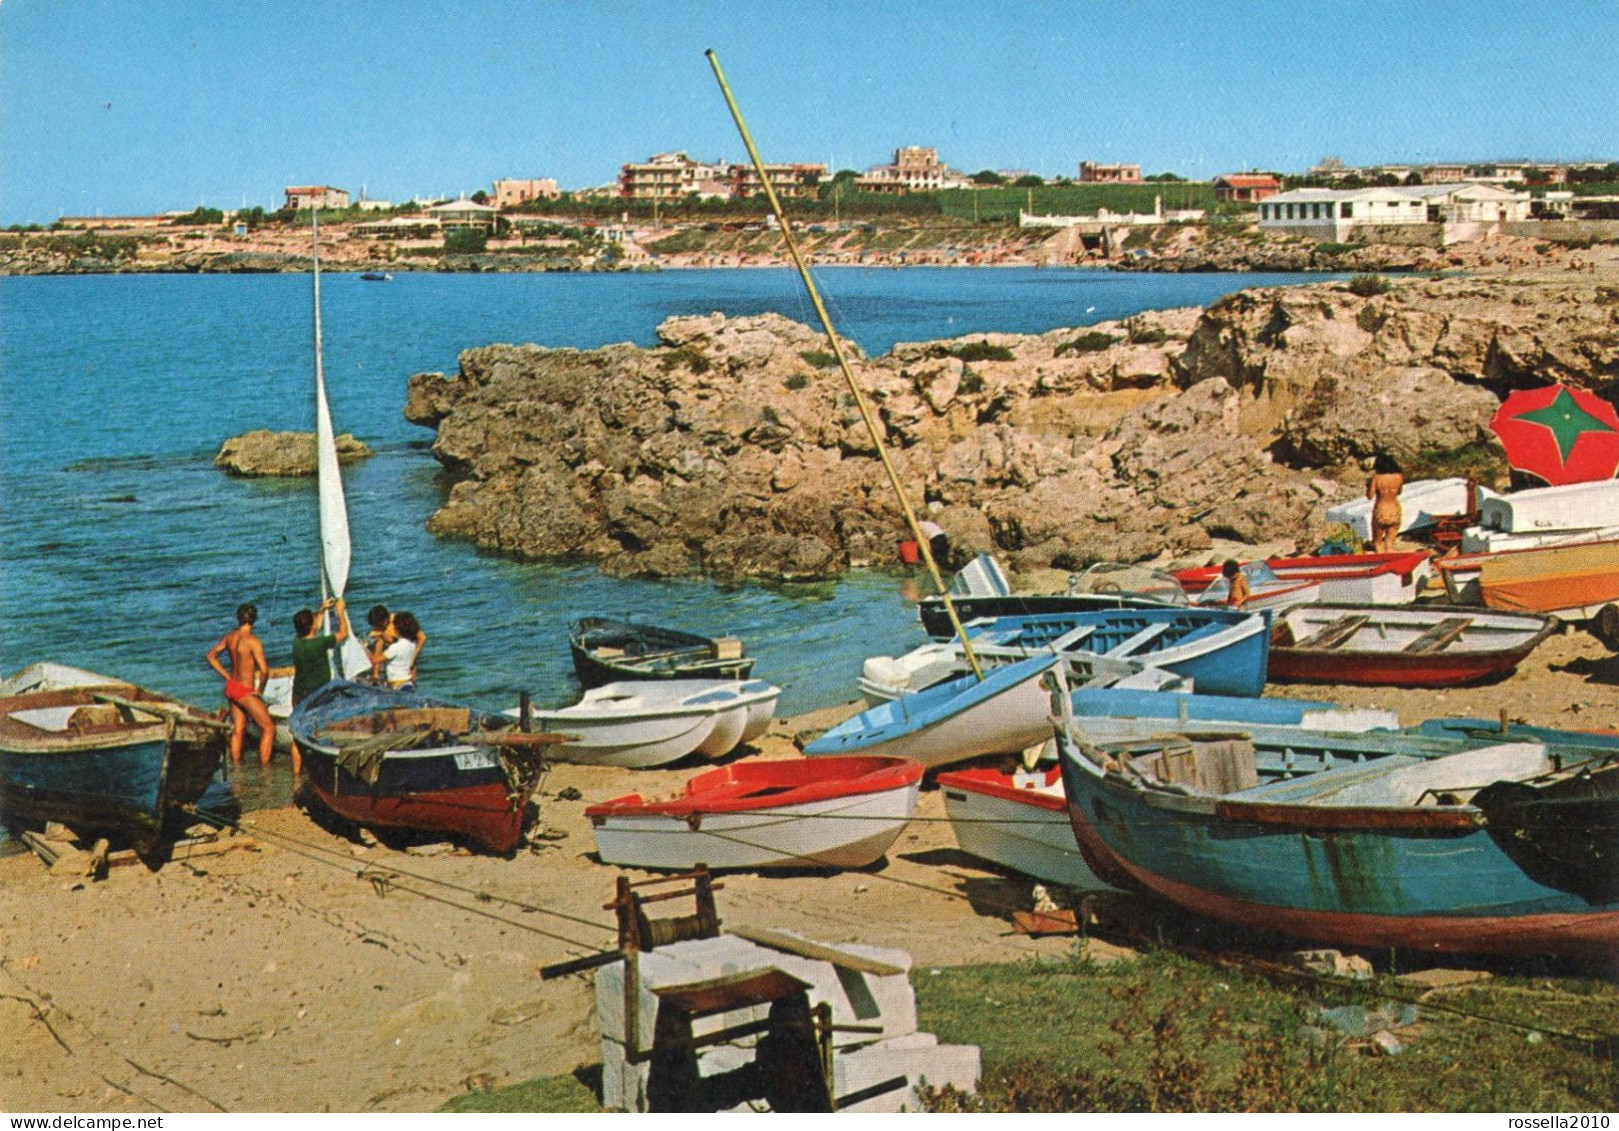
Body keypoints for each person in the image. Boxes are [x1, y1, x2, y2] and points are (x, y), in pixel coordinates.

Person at [206, 602, 276, 767]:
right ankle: (265, 769)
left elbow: (210, 656)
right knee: (269, 729)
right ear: (254, 620)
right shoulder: (253, 641)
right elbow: (265, 671)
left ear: (238, 619)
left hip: (232, 687)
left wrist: (227, 676)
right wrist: (259, 692)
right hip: (244, 691)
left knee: (239, 729)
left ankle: (236, 768)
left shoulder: (230, 637)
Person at [288, 596, 350, 775]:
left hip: (298, 694)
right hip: (317, 695)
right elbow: (342, 634)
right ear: (312, 627)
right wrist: (340, 612)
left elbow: (313, 627)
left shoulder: (297, 642)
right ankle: (321, 769)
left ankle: (297, 774)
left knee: (297, 734)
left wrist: (322, 610)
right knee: (320, 730)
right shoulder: (319, 643)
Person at [370, 609, 422, 689]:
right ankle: (375, 675)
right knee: (379, 641)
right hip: (397, 647)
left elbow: (422, 638)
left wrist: (413, 657)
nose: (378, 627)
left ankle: (411, 687)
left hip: (406, 648)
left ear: (386, 620)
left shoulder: (399, 622)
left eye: (379, 625)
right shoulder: (380, 624)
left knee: (411, 675)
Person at [1367, 453, 1405, 554]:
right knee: (1390, 544)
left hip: (1381, 511)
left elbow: (1370, 496)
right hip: (1395, 511)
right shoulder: (1399, 476)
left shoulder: (1376, 477)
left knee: (1378, 543)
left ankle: (1380, 561)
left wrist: (1368, 486)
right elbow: (1399, 492)